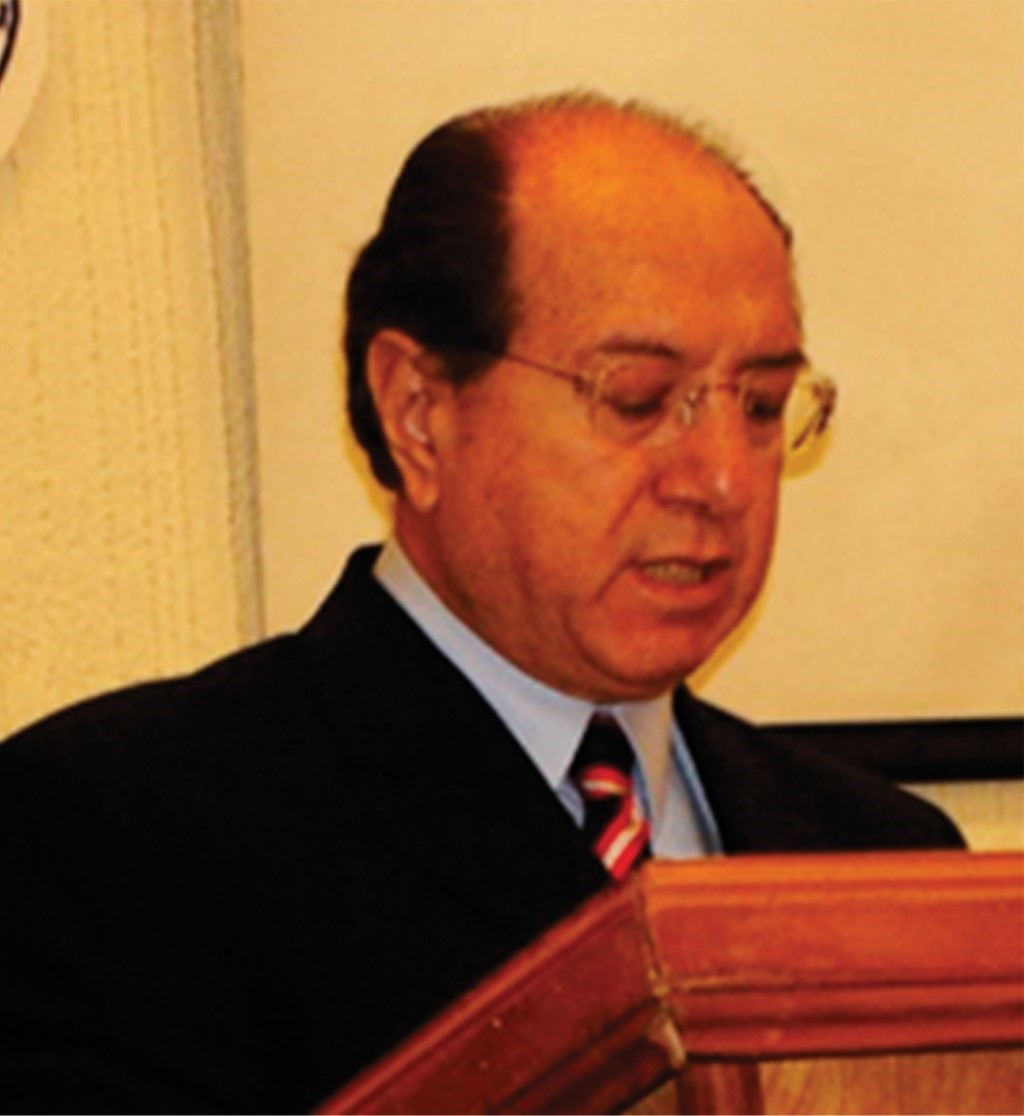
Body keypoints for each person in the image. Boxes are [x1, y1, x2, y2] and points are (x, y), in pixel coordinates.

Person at [0, 92, 961, 1113]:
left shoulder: (884, 858)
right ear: (417, 412)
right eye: (637, 399)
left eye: (762, 406)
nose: (723, 478)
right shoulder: (117, 838)